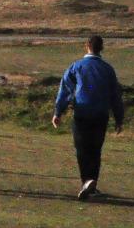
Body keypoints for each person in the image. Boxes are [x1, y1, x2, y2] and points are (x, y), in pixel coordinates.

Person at [53, 35, 125, 201]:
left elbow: (65, 90)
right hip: (101, 115)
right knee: (95, 149)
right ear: (102, 48)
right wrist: (119, 118)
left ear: (87, 46)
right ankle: (91, 183)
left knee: (82, 149)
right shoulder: (108, 69)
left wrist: (58, 112)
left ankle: (87, 181)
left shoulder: (76, 67)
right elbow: (115, 95)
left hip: (82, 114)